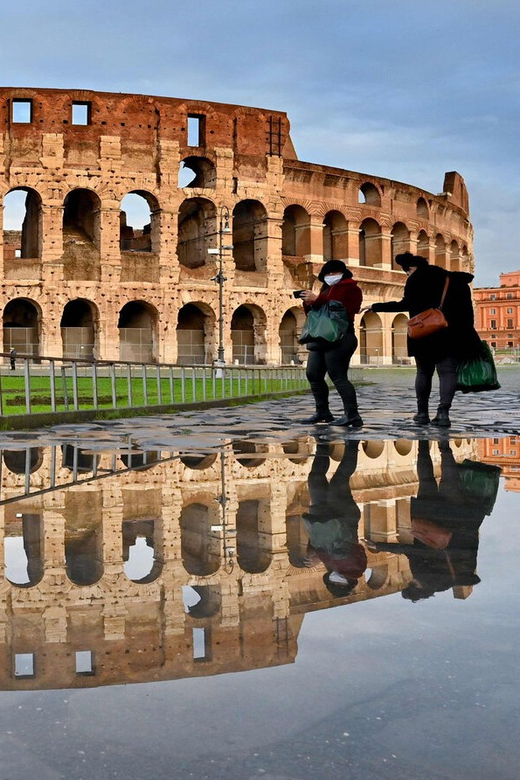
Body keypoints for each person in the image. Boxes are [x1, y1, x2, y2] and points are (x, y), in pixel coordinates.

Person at [365, 439, 500, 602]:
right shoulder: (424, 577)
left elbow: (470, 543)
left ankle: (444, 445)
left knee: (450, 481)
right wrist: (379, 546)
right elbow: (412, 551)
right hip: (429, 519)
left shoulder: (454, 576)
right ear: (415, 586)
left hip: (456, 518)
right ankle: (423, 443)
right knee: (426, 480)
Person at [366, 252, 481, 427]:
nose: (407, 275)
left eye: (407, 273)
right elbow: (468, 313)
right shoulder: (457, 280)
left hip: (424, 333)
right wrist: (466, 334)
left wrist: (376, 306)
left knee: (423, 372)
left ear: (411, 268)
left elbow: (406, 304)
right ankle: (443, 413)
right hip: (452, 334)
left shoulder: (416, 279)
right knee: (448, 372)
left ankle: (422, 413)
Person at [298, 259, 363, 427]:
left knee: (338, 376)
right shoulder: (326, 289)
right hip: (321, 338)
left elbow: (346, 309)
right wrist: (308, 303)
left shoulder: (352, 289)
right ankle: (323, 412)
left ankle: (352, 415)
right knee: (313, 374)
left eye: (333, 273)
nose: (330, 276)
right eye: (327, 274)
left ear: (342, 274)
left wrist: (318, 300)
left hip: (341, 337)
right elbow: (317, 313)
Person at [303, 438, 367, 597]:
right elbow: (349, 549)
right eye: (340, 582)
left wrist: (312, 554)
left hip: (321, 515)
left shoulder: (328, 564)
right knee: (339, 479)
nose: (336, 578)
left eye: (333, 581)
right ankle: (352, 443)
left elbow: (317, 540)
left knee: (315, 478)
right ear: (349, 582)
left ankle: (323, 444)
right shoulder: (356, 569)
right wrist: (319, 557)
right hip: (343, 516)